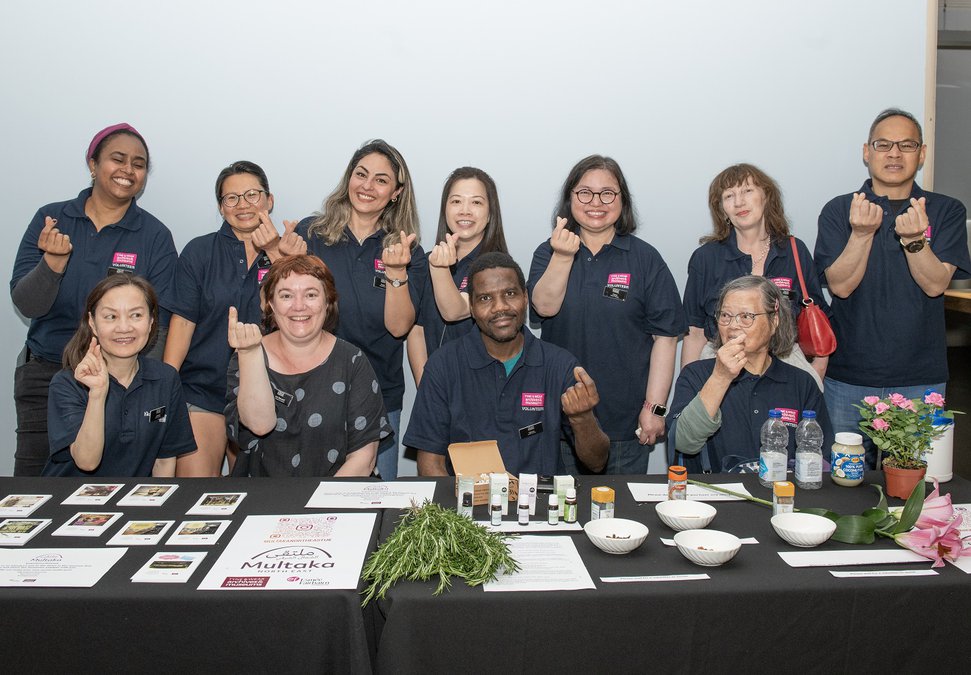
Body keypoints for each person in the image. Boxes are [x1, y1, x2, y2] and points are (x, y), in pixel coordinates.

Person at [11, 122, 179, 476]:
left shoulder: (155, 235)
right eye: (118, 159)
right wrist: (52, 263)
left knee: (111, 484)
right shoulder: (52, 220)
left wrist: (140, 385)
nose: (128, 170)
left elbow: (158, 323)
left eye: (138, 164)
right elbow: (27, 305)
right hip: (46, 374)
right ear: (93, 164)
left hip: (120, 381)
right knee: (33, 488)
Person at [814, 108, 971, 466]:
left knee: (914, 484)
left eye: (906, 145)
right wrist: (861, 234)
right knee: (842, 482)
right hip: (848, 376)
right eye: (883, 144)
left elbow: (935, 285)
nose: (894, 153)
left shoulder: (945, 210)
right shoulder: (841, 210)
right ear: (866, 152)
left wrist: (915, 239)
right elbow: (840, 286)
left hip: (920, 377)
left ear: (922, 153)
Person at [528, 155, 686, 474]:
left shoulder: (645, 259)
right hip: (559, 421)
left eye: (607, 193)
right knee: (561, 507)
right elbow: (543, 308)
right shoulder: (548, 252)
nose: (596, 202)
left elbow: (666, 339)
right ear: (570, 198)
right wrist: (563, 255)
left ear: (622, 200)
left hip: (625, 426)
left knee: (620, 508)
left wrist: (654, 408)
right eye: (585, 192)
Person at [285, 140, 425, 480]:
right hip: (310, 389)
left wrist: (396, 271)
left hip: (379, 395)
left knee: (377, 502)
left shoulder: (408, 251)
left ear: (396, 192)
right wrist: (282, 259)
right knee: (306, 496)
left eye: (381, 179)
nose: (367, 185)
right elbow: (284, 310)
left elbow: (399, 328)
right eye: (361, 174)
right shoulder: (311, 234)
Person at [407, 252, 608, 476]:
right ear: (471, 307)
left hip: (539, 498)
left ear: (525, 297)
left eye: (510, 294)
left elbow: (597, 462)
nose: (499, 307)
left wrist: (582, 418)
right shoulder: (442, 366)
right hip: (466, 497)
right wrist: (461, 501)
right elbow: (430, 464)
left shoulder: (559, 365)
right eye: (485, 298)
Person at [164, 161, 306, 477]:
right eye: (232, 198)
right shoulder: (199, 252)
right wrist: (164, 386)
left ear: (269, 200)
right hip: (203, 391)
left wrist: (275, 252)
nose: (243, 205)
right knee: (196, 489)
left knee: (261, 494)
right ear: (221, 207)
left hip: (272, 394)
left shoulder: (291, 252)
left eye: (252, 194)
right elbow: (182, 323)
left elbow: (302, 313)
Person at [226, 254, 390, 477]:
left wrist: (321, 499)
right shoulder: (248, 353)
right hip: (263, 493)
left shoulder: (353, 361)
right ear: (271, 304)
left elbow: (363, 460)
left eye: (311, 295)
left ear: (327, 301)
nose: (299, 306)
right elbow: (260, 425)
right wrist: (250, 354)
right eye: (286, 296)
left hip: (336, 493)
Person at [682, 163, 830, 389]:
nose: (739, 202)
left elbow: (817, 316)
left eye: (747, 191)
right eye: (729, 196)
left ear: (766, 197)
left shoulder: (794, 251)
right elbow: (694, 333)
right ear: (722, 209)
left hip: (787, 365)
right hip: (720, 366)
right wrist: (688, 387)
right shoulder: (706, 258)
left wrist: (816, 373)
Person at [667, 276, 833, 474]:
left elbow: (821, 460)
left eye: (746, 316)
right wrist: (720, 377)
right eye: (725, 315)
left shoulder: (801, 383)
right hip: (715, 491)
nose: (733, 325)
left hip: (783, 489)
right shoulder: (696, 375)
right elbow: (683, 442)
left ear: (774, 321)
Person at [43, 275, 195, 477]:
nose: (124, 327)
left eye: (136, 315)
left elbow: (164, 460)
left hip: (134, 496)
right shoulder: (68, 383)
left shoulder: (166, 379)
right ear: (92, 323)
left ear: (151, 321)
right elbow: (87, 462)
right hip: (72, 495)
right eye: (111, 317)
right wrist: (97, 394)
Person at [407, 166, 509, 383]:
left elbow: (454, 311)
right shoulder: (427, 260)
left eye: (476, 202)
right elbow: (417, 329)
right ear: (445, 209)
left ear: (490, 214)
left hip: (481, 386)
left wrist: (439, 269)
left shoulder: (498, 267)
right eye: (456, 201)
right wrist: (426, 386)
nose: (465, 211)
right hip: (435, 385)